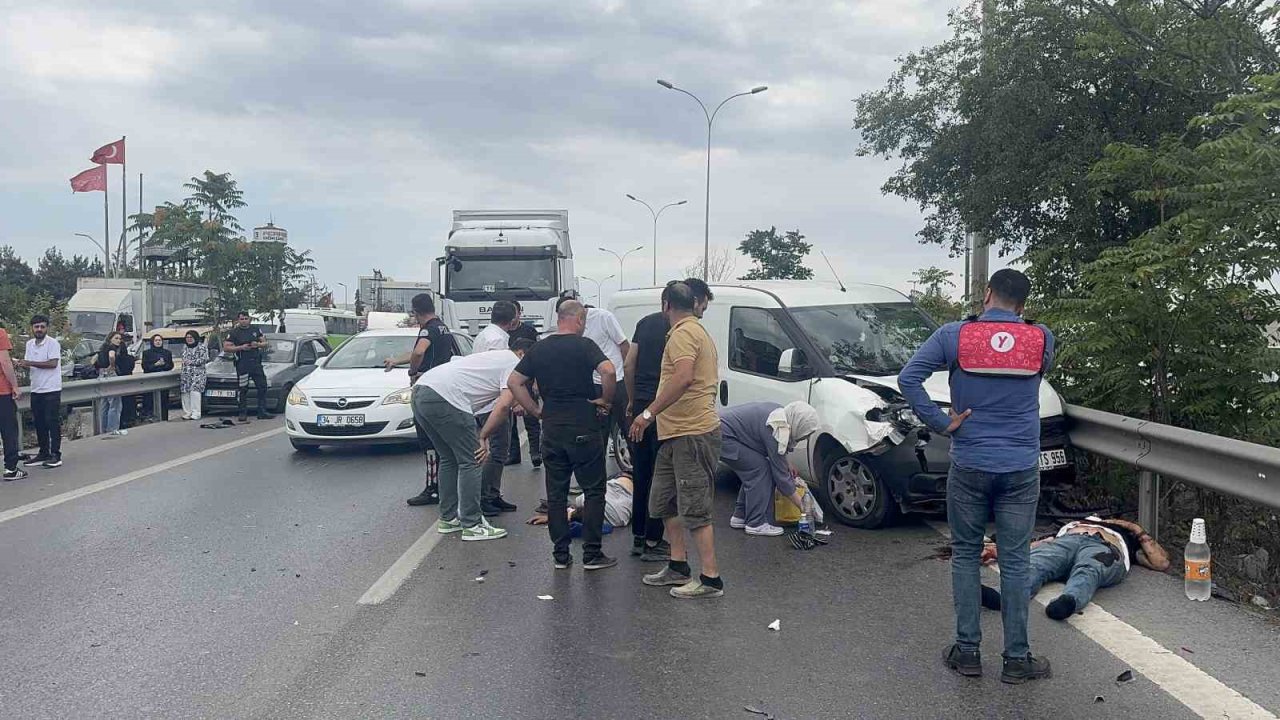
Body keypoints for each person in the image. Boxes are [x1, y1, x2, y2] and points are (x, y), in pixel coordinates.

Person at [898, 268, 1056, 684]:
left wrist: (939, 421)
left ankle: (967, 653)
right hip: (1021, 464)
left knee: (967, 554)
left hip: (969, 461)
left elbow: (908, 378)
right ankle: (1017, 659)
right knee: (1016, 560)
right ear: (1022, 305)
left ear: (987, 294)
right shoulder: (1041, 338)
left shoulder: (954, 335)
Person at [628, 282, 724, 599]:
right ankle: (677, 565)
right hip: (673, 434)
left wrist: (647, 414)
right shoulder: (687, 331)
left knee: (695, 509)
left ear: (665, 304)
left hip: (691, 433)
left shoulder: (685, 334)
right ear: (694, 303)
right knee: (664, 501)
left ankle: (710, 579)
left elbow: (683, 377)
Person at [507, 299, 618, 571]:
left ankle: (560, 555)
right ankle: (591, 555)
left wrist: (534, 409)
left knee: (556, 493)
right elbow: (609, 370)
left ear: (559, 319)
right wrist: (605, 400)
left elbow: (514, 382)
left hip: (553, 428)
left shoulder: (540, 348)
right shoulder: (585, 345)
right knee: (594, 490)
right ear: (579, 320)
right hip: (584, 426)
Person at [413, 338, 530, 542]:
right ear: (521, 354)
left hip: (421, 391)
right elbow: (502, 407)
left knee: (449, 458)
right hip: (446, 397)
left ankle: (448, 518)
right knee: (473, 460)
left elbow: (489, 405)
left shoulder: (495, 358)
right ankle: (472, 523)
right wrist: (483, 436)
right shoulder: (513, 364)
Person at [980, 517, 1170, 620]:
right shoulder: (1071, 525)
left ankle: (1068, 602)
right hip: (1065, 543)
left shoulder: (1124, 535)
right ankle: (1004, 597)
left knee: (1089, 570)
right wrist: (999, 552)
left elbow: (1161, 563)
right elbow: (1040, 546)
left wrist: (1134, 528)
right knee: (1037, 564)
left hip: (1103, 547)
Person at [386, 294, 461, 507]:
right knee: (444, 442)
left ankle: (433, 488)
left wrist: (412, 370)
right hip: (444, 387)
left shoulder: (427, 329)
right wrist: (396, 360)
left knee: (429, 443)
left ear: (416, 311)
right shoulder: (443, 328)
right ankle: (447, 486)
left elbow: (419, 351)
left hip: (427, 387)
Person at [721, 401, 822, 536]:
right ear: (798, 424)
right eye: (804, 434)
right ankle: (755, 524)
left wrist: (787, 463)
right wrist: (804, 509)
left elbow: (778, 452)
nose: (804, 438)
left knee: (756, 469)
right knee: (759, 470)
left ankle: (741, 515)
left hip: (721, 430)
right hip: (723, 436)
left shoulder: (780, 417)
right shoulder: (776, 429)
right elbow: (782, 480)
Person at [471, 301, 522, 515]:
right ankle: (486, 497)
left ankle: (492, 493)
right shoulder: (498, 340)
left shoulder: (484, 335)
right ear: (512, 321)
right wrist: (515, 401)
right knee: (498, 451)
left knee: (496, 450)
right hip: (494, 402)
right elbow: (504, 374)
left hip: (484, 400)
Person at [19, 315, 64, 468]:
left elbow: (52, 363)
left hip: (51, 389)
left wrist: (30, 363)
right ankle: (43, 452)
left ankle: (56, 455)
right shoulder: (30, 344)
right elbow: (29, 364)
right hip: (36, 388)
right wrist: (21, 364)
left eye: (42, 326)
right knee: (39, 422)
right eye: (36, 327)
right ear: (31, 328)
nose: (39, 329)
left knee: (52, 421)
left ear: (47, 328)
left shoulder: (52, 343)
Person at [505, 300, 542, 467]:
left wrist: (536, 382)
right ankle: (513, 454)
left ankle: (536, 452)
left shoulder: (529, 331)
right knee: (508, 419)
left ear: (519, 313)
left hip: (527, 378)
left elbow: (539, 355)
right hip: (507, 380)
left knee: (531, 417)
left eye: (515, 313)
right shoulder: (502, 333)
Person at [223, 311, 271, 422]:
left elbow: (265, 343)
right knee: (243, 388)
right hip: (242, 363)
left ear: (249, 319)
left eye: (246, 318)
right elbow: (226, 347)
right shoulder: (234, 332)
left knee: (262, 386)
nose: (244, 320)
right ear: (238, 320)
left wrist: (257, 344)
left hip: (256, 363)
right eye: (242, 319)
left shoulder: (255, 330)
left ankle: (262, 411)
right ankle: (242, 412)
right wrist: (241, 347)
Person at [95, 331, 131, 437]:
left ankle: (103, 429)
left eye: (120, 339)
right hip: (110, 374)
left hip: (102, 374)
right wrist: (112, 366)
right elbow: (111, 356)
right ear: (110, 338)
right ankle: (112, 429)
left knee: (104, 404)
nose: (118, 341)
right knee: (115, 403)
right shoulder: (111, 348)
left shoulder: (102, 348)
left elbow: (94, 360)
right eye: (116, 338)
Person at [0, 324, 24, 480]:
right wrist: (14, 385)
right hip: (2, 392)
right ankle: (11, 469)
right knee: (9, 431)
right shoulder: (0, 333)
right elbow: (5, 362)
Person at [140, 334, 175, 420]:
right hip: (151, 381)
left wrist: (164, 365)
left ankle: (164, 418)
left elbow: (170, 365)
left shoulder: (167, 353)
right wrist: (155, 365)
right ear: (152, 342)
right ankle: (151, 417)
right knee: (150, 400)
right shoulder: (146, 353)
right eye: (156, 340)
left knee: (163, 401)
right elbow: (145, 366)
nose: (158, 342)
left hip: (164, 380)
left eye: (159, 340)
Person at [180, 330, 210, 421]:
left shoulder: (202, 347)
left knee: (195, 391)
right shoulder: (185, 348)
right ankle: (188, 412)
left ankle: (196, 412)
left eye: (191, 338)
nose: (189, 339)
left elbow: (205, 359)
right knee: (185, 392)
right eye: (187, 338)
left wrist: (192, 362)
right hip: (186, 374)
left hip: (198, 373)